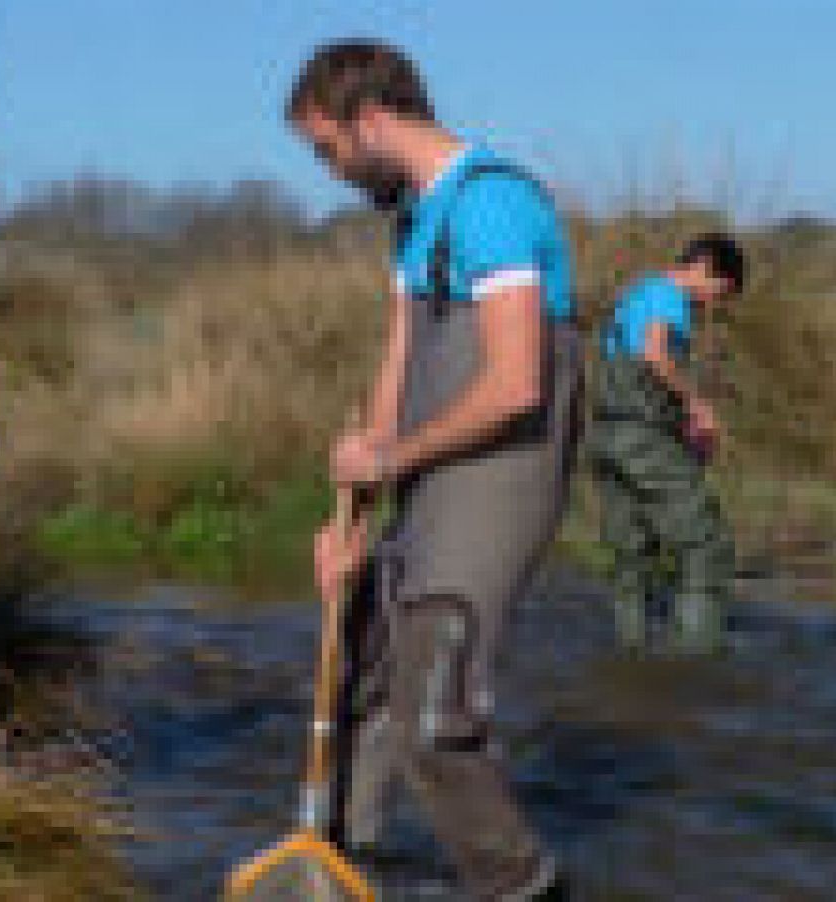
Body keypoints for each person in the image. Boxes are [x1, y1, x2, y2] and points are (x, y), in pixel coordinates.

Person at [293, 40, 581, 899]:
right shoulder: (417, 217)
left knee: (432, 718)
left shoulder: (491, 205)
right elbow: (401, 364)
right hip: (432, 472)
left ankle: (522, 886)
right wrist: (351, 515)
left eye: (328, 149)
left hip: (501, 472)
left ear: (371, 123)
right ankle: (343, 869)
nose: (331, 169)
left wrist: (391, 454)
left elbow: (514, 383)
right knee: (365, 679)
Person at [589, 235, 745, 656]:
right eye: (721, 290)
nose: (715, 303)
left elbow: (629, 370)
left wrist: (681, 427)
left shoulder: (637, 292)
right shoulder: (669, 295)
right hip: (642, 440)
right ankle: (696, 660)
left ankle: (631, 655)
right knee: (703, 543)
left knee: (630, 553)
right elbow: (655, 355)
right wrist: (696, 406)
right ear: (704, 267)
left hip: (605, 437)